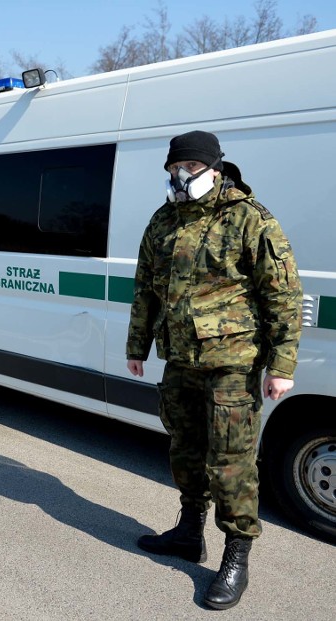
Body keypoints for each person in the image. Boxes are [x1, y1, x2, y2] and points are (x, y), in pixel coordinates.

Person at [126, 131, 302, 610]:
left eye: (189, 170)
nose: (180, 179)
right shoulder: (163, 222)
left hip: (233, 365)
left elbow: (283, 296)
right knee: (184, 450)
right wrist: (137, 344)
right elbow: (145, 289)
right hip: (179, 361)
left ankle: (236, 556)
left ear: (215, 170)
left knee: (231, 464)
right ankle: (188, 531)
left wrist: (282, 364)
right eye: (173, 172)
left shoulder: (251, 220)